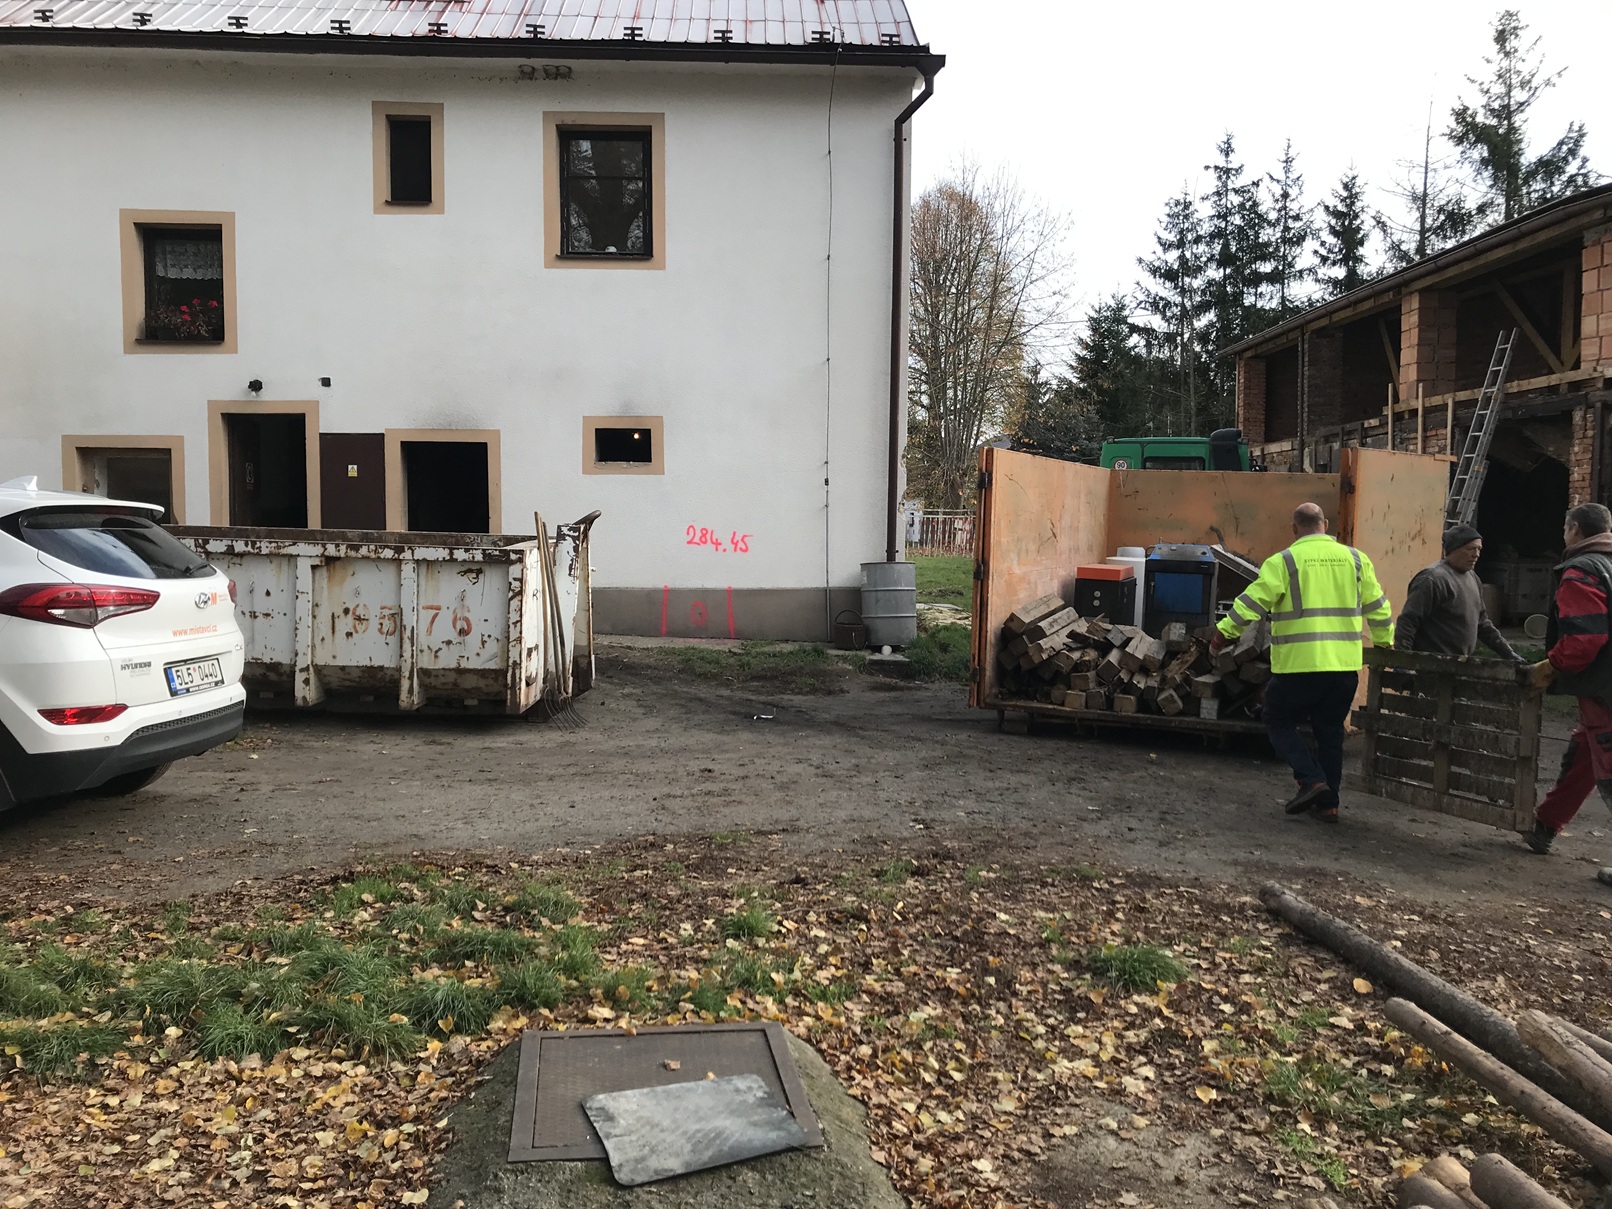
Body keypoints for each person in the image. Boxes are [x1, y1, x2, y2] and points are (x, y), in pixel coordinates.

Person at [1213, 502, 1394, 823]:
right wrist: (1384, 644)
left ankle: (1311, 780)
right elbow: (1378, 607)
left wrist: (1223, 633)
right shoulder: (1356, 559)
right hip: (1343, 668)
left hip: (1299, 667)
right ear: (1325, 524)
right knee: (1330, 733)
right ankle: (1329, 805)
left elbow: (1253, 601)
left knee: (1277, 719)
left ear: (1294, 529)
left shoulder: (1284, 562)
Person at [1524, 502, 1612, 889]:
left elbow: (1583, 641)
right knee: (1583, 755)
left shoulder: (1582, 571)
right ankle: (1545, 825)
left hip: (1604, 691)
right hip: (1603, 692)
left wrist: (1550, 667)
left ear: (1574, 529)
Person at [1395, 524, 1523, 661]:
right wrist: (1403, 662)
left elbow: (1482, 623)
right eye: (1470, 549)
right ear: (1453, 549)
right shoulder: (1432, 579)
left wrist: (1509, 654)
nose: (1476, 554)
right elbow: (1408, 621)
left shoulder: (1473, 577)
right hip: (1432, 664)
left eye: (1479, 549)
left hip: (1459, 664)